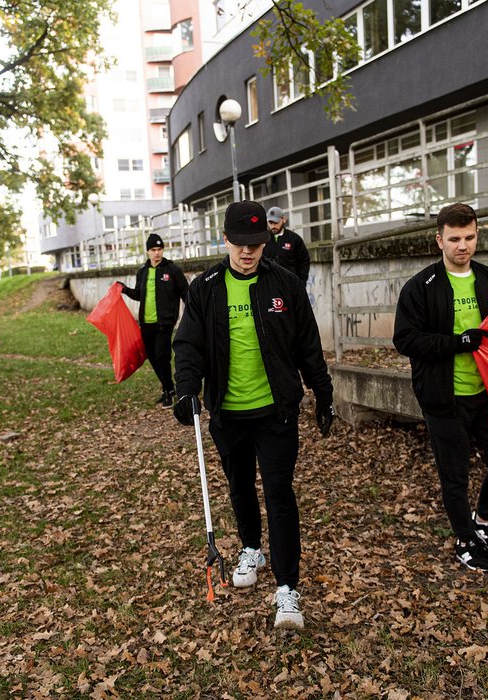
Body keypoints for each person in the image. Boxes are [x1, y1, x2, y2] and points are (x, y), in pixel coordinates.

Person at [172, 200, 334, 630]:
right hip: (228, 411)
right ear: (225, 239)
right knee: (240, 485)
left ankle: (287, 588)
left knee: (279, 493)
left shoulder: (285, 284)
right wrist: (187, 388)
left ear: (268, 239)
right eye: (240, 243)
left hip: (276, 410)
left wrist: (323, 392)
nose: (248, 252)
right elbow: (189, 345)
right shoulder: (204, 288)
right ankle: (250, 548)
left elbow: (308, 345)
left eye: (257, 243)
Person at [393, 202, 488, 573]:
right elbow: (405, 339)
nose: (463, 245)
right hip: (444, 398)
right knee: (455, 475)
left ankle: (483, 521)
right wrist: (456, 343)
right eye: (455, 239)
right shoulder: (421, 287)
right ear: (439, 240)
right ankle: (464, 539)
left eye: (470, 237)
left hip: (487, 393)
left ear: (477, 235)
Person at [119, 233, 189, 408]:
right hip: (146, 323)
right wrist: (124, 289)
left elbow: (186, 293)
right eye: (153, 250)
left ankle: (168, 392)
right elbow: (138, 294)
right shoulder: (142, 272)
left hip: (165, 323)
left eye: (159, 249)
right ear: (148, 252)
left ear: (163, 250)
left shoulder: (172, 270)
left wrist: (195, 313)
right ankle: (169, 388)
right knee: (152, 357)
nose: (157, 253)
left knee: (162, 356)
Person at [264, 207, 311, 283]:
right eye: (270, 223)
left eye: (276, 223)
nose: (273, 226)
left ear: (284, 220)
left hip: (290, 284)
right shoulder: (263, 239)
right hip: (269, 284)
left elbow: (304, 261)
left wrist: (301, 283)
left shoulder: (294, 239)